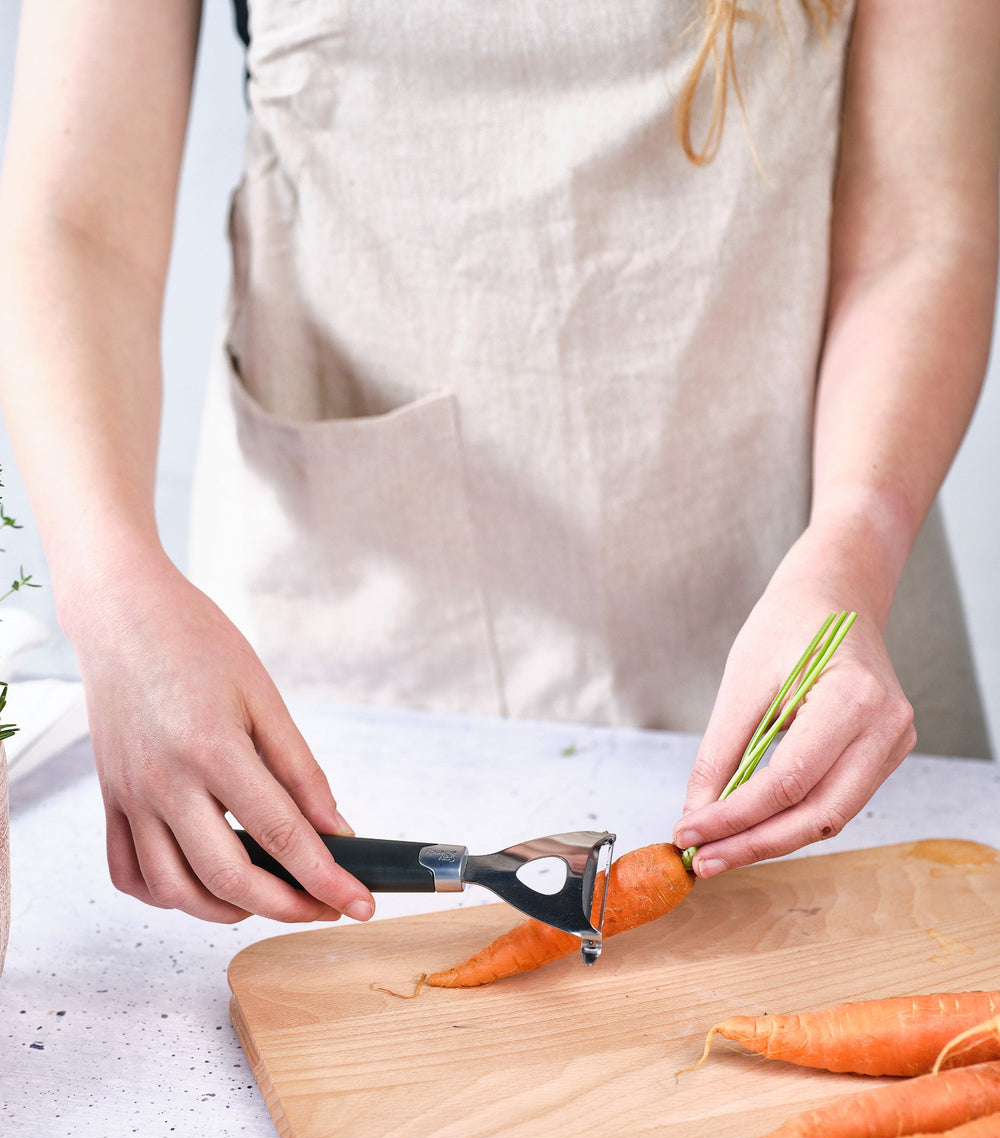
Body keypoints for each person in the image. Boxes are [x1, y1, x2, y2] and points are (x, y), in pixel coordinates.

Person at [0, 1, 997, 930]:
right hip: (350, 685)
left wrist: (855, 538)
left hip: (815, 631)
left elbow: (923, 227)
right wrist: (108, 579)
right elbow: (74, 221)